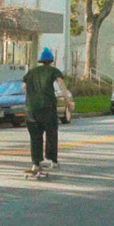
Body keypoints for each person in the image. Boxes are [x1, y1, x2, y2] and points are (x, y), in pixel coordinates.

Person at [22, 47, 74, 177]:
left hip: (31, 109)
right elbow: (60, 83)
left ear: (41, 61)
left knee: (35, 136)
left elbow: (24, 86)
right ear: (51, 60)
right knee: (51, 133)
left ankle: (36, 162)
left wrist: (32, 97)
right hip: (47, 107)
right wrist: (67, 100)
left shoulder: (31, 72)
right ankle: (52, 160)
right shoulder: (53, 71)